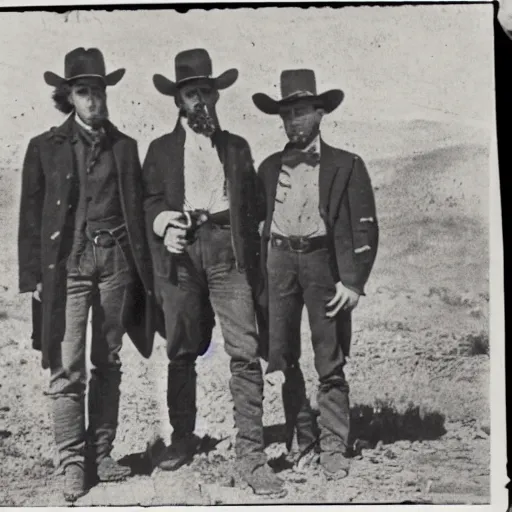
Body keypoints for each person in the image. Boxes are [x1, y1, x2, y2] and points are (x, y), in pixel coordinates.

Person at [142, 48, 286, 498]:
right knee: (182, 346)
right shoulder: (161, 150)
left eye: (207, 91)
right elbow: (148, 201)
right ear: (178, 100)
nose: (200, 99)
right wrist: (165, 225)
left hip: (228, 252)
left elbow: (256, 206)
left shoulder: (236, 147)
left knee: (244, 349)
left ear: (217, 96)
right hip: (182, 255)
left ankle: (251, 455)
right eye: (191, 93)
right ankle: (182, 437)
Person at [18, 47, 157, 502]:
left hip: (115, 261)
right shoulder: (44, 148)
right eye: (83, 92)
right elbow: (31, 216)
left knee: (109, 360)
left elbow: (138, 213)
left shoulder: (125, 147)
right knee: (67, 363)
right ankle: (72, 462)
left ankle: (101, 453)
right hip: (68, 266)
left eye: (99, 91)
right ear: (68, 97)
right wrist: (33, 277)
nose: (94, 100)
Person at [252, 69, 379, 479]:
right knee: (283, 354)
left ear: (321, 113)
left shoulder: (347, 164)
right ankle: (303, 438)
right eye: (287, 115)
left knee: (330, 355)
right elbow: (257, 219)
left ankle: (333, 446)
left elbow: (365, 226)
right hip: (279, 264)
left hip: (324, 265)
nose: (294, 122)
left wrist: (354, 282)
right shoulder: (269, 167)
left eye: (302, 112)